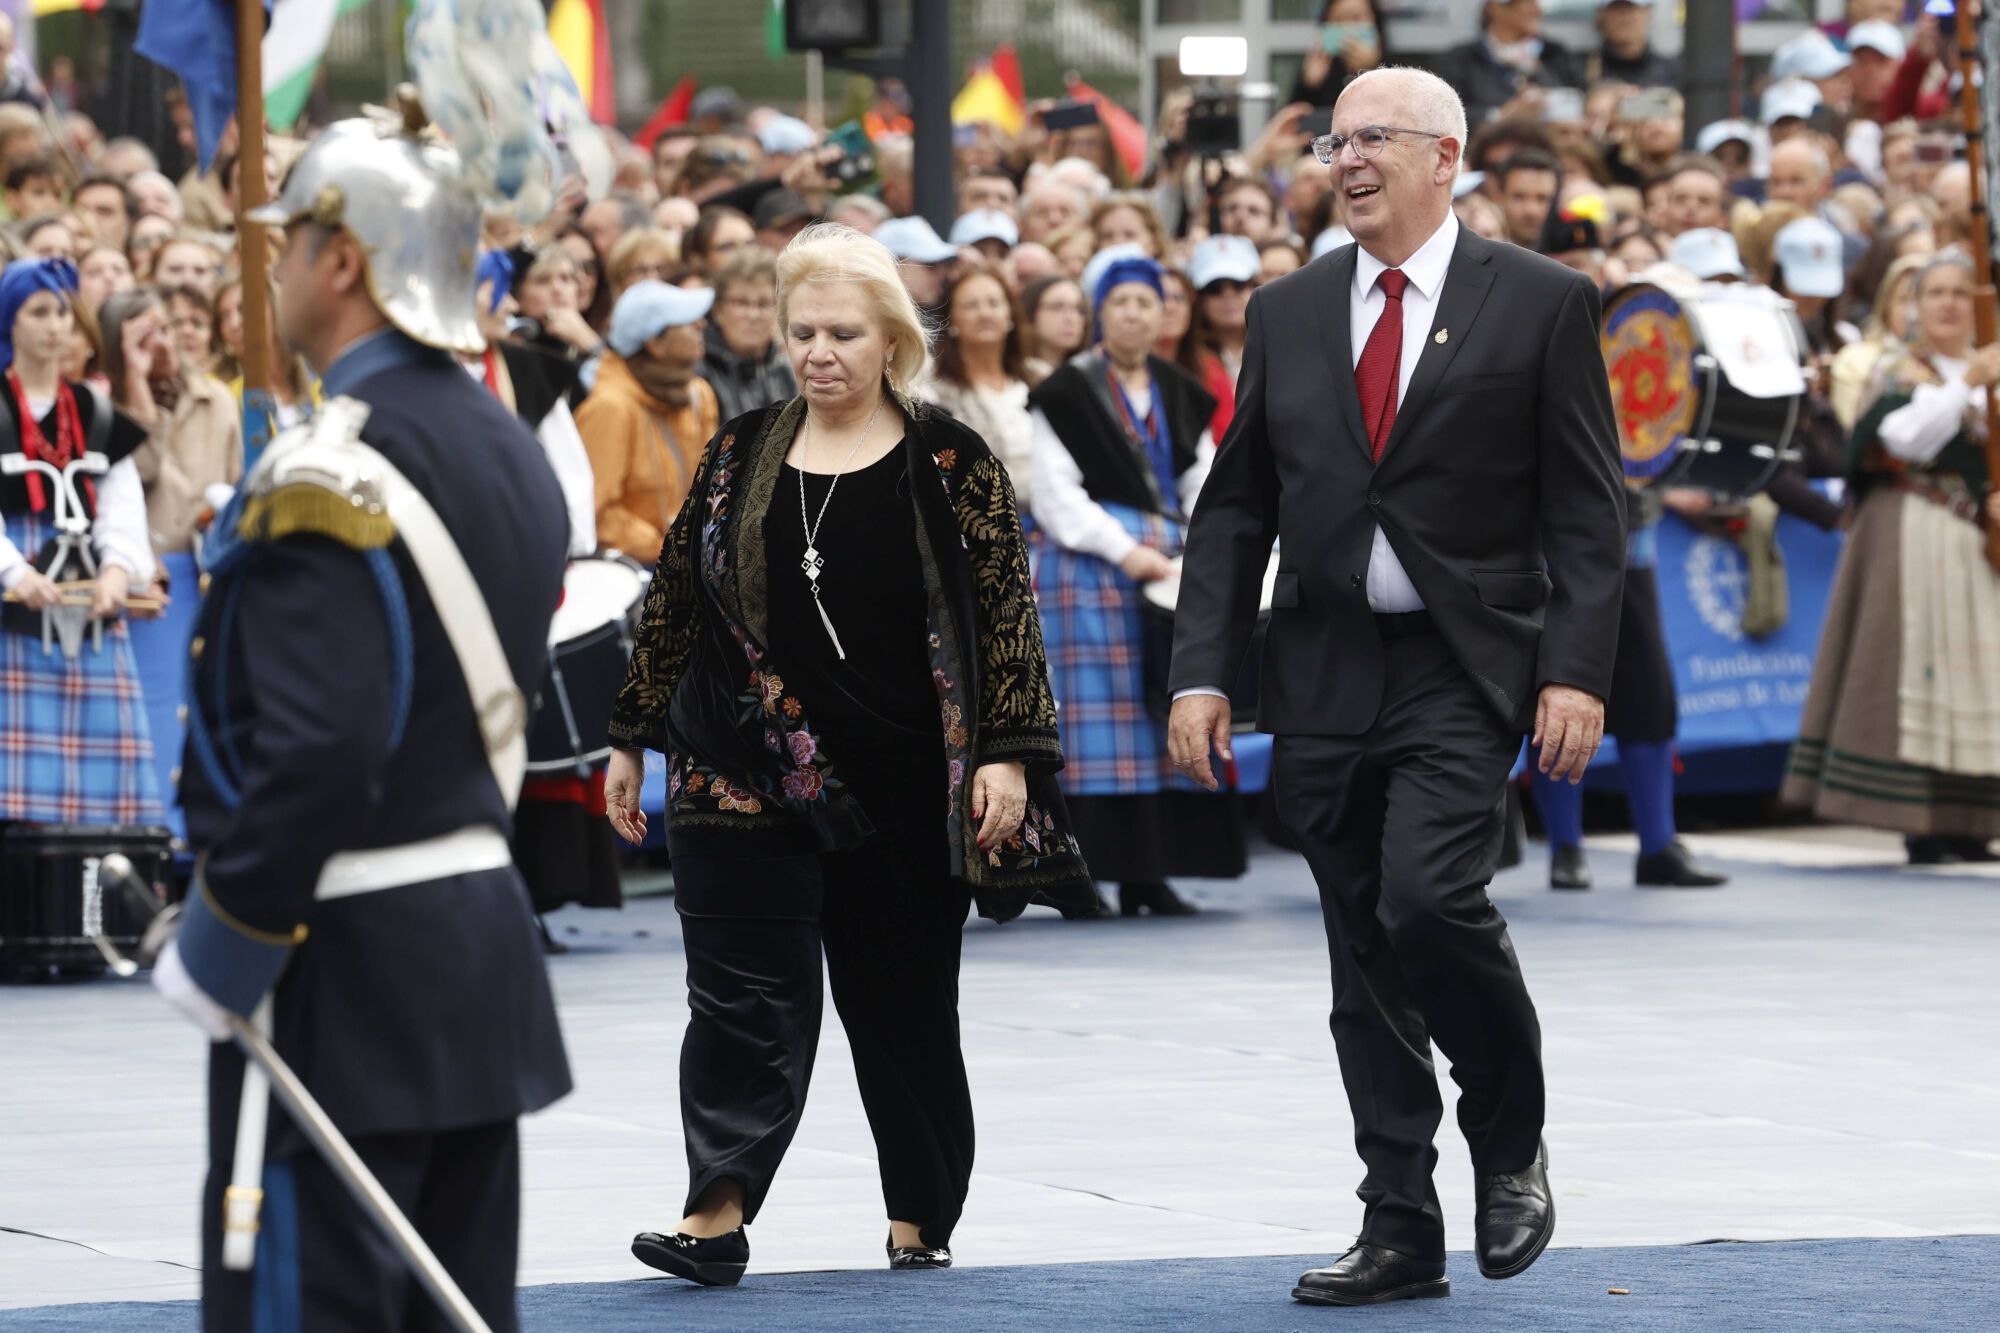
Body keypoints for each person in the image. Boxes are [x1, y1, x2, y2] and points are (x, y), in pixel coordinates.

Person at [1167, 67, 1625, 1304]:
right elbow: (1234, 510)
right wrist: (1202, 671)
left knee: (1428, 900)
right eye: (1333, 141)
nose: (1346, 159)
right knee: (1359, 947)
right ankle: (1396, 1220)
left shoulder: (1538, 302)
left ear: (1445, 157)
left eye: (1372, 139)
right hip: (1319, 665)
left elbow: (1588, 515)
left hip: (1459, 664)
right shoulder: (1288, 309)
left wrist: (1575, 672)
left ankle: (1507, 1134)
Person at [603, 222, 1092, 1287]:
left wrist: (1006, 756)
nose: (819, 351)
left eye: (843, 332)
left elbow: (1006, 612)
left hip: (907, 779)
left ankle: (919, 1207)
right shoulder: (738, 448)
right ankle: (713, 1210)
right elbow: (680, 595)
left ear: (890, 343)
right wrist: (633, 733)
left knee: (903, 1005)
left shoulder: (951, 456)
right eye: (802, 331)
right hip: (739, 762)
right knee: (738, 999)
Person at [148, 115, 573, 1331]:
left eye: (288, 244)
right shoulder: (502, 442)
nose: (271, 269)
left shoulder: (325, 469)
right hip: (471, 953)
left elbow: (323, 750)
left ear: (345, 260)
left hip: (337, 965)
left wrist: (224, 941)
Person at [1028, 253, 1240, 917]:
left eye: (1145, 302)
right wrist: (1125, 551)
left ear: (1162, 313)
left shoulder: (1180, 391)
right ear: (1101, 311)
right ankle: (1085, 876)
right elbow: (1055, 495)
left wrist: (1193, 551)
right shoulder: (1064, 390)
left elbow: (1202, 481)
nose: (1133, 313)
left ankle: (1152, 873)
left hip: (1168, 563)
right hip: (1089, 574)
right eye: (1119, 302)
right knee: (1097, 731)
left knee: (1159, 719)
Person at [1783, 253, 2000, 865]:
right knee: (1919, 668)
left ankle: (1972, 818)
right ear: (1914, 303)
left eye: (1961, 292)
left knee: (1978, 675)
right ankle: (1923, 822)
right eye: (1936, 292)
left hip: (1975, 540)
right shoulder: (1897, 369)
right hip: (1913, 530)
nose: (1949, 304)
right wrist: (1965, 385)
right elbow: (1901, 438)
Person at [0, 258, 162, 828]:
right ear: (9, 322)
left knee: (100, 794)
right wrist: (13, 572)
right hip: (17, 594)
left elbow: (122, 499)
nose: (54, 325)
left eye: (62, 312)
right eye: (37, 311)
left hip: (85, 588)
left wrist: (119, 570)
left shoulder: (93, 409)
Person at [575, 277, 719, 562]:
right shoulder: (610, 408)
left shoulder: (698, 394)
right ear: (655, 343)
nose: (701, 325)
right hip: (640, 569)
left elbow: (715, 482)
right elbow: (598, 515)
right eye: (688, 321)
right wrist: (670, 547)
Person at [99, 286, 240, 556]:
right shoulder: (104, 410)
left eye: (165, 329)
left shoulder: (216, 398)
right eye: (145, 339)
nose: (163, 344)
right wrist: (136, 380)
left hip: (208, 560)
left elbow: (237, 482)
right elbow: (146, 470)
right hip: (143, 572)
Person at [924, 266, 1037, 511]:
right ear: (951, 319)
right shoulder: (933, 391)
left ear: (1010, 315)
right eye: (971, 305)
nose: (984, 313)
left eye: (994, 303)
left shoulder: (1040, 377)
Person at [1434, 0, 1585, 128]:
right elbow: (1445, 114)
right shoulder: (1461, 60)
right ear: (1494, 8)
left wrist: (1540, 74)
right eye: (1525, 2)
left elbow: (1581, 98)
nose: (1536, 9)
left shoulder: (1555, 54)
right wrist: (1501, 116)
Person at [700, 246, 796, 421]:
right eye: (742, 303)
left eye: (763, 303)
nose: (753, 315)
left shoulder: (787, 371)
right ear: (718, 310)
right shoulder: (700, 373)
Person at [1288, 0, 1389, 109]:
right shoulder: (1317, 68)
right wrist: (1309, 85)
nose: (1348, 26)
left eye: (1356, 18)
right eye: (1338, 19)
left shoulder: (1392, 69)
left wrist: (1372, 70)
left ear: (1375, 21)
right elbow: (1291, 119)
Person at [1020, 272, 1088, 381]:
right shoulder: (1013, 377)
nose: (1071, 318)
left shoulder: (1090, 376)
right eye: (1057, 307)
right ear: (1030, 313)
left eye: (1079, 309)